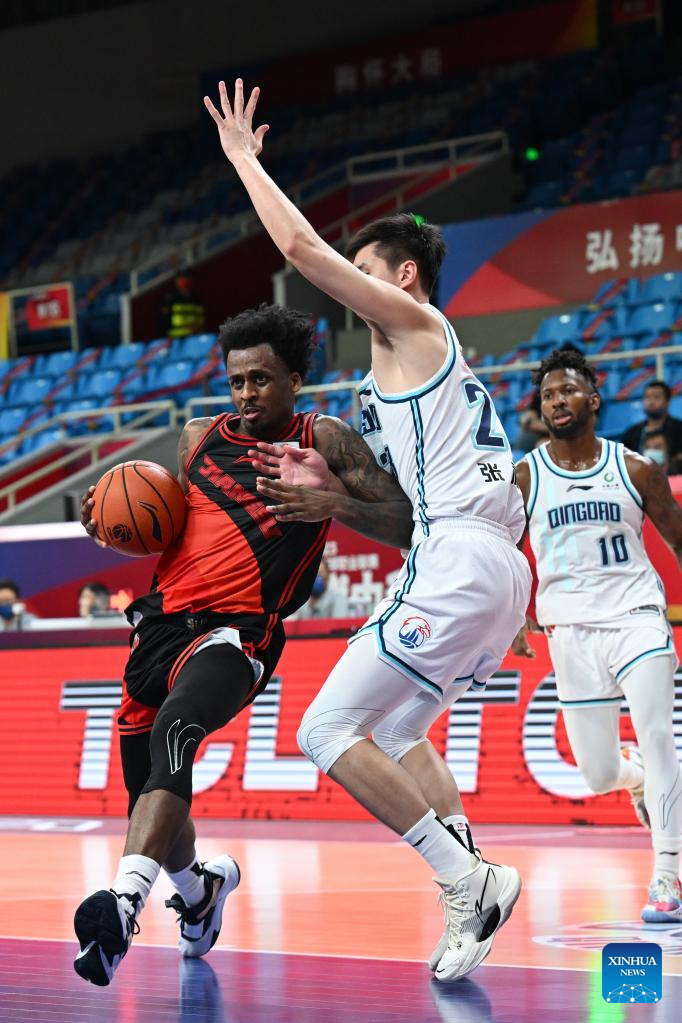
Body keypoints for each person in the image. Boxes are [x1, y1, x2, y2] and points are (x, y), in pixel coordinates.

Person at [206, 79, 531, 982]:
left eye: (366, 267)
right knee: (392, 733)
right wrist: (330, 493)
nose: (350, 283)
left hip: (466, 557)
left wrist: (245, 161)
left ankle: (468, 875)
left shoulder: (421, 326)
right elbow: (395, 514)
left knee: (321, 729)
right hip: (483, 564)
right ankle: (469, 884)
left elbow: (304, 249)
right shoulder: (397, 387)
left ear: (403, 276)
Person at [73, 303, 414, 987]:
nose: (247, 393)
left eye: (261, 379)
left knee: (178, 729)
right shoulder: (199, 437)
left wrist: (333, 505)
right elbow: (168, 527)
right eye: (237, 381)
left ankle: (122, 905)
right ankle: (199, 891)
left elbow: (405, 520)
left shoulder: (327, 437)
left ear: (294, 377)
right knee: (151, 795)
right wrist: (106, 522)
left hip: (238, 632)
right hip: (160, 627)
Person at [512, 347, 682, 923]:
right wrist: (514, 614)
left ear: (594, 397)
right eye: (549, 394)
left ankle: (668, 874)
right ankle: (632, 780)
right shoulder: (526, 475)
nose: (558, 400)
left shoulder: (636, 469)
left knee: (660, 734)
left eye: (569, 391)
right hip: (571, 631)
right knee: (598, 773)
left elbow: (679, 542)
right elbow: (506, 552)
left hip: (637, 617)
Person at [622, 380, 682, 460]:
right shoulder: (631, 433)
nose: (651, 402)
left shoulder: (679, 429)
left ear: (668, 401)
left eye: (656, 397)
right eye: (647, 397)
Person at [159, 272, 206, 340]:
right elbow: (164, 321)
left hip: (194, 337)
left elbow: (200, 318)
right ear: (176, 281)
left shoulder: (196, 299)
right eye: (181, 279)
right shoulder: (171, 299)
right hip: (176, 339)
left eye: (186, 278)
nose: (184, 281)